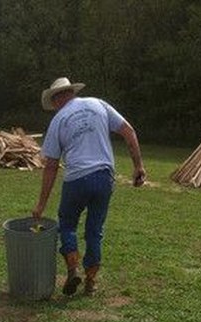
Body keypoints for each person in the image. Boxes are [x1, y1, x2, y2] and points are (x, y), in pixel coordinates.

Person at [32, 77, 146, 296]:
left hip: (76, 179)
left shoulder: (58, 120)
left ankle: (73, 268)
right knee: (95, 230)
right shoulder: (98, 104)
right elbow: (128, 131)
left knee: (67, 225)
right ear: (71, 93)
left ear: (56, 99)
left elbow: (51, 166)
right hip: (104, 178)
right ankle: (91, 281)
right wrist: (138, 166)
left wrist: (41, 204)